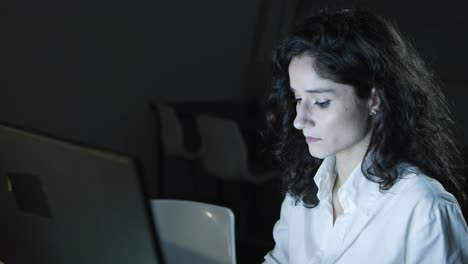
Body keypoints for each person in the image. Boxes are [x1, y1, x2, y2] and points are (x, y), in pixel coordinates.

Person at [262, 8, 468, 263]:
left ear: (374, 99)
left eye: (321, 102)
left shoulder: (424, 208)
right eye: (298, 99)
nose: (299, 120)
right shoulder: (302, 190)